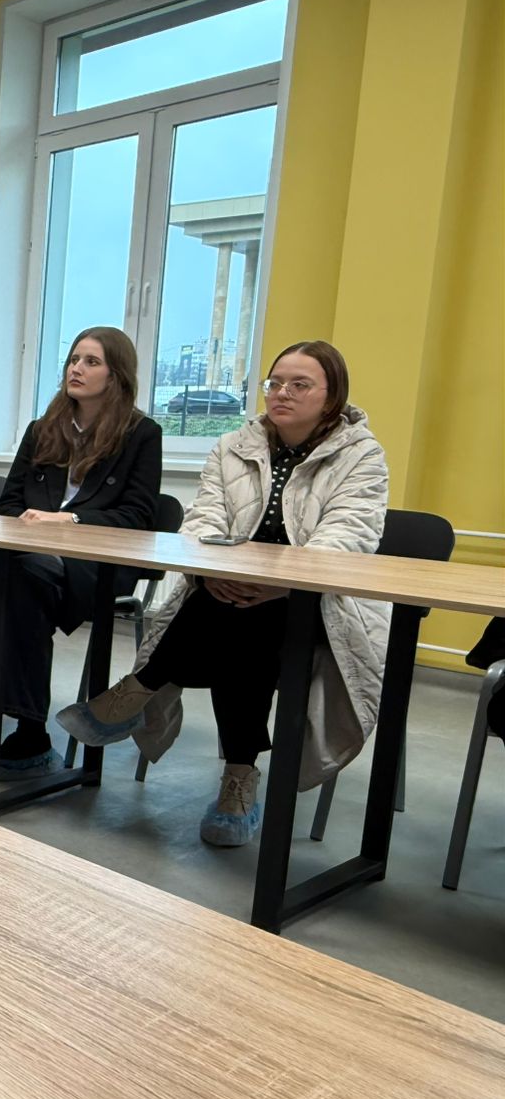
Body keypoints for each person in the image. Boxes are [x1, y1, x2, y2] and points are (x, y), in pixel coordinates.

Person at [57, 340, 390, 846]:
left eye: (300, 385)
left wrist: (279, 585)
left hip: (315, 603)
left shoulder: (362, 455)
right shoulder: (234, 444)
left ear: (332, 397)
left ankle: (137, 690)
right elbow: (203, 519)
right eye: (275, 383)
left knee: (250, 620)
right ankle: (239, 778)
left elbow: (348, 535)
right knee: (239, 623)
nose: (282, 393)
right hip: (222, 592)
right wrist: (211, 572)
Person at [0, 326, 162, 777]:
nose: (76, 369)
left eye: (91, 361)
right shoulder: (42, 429)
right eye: (74, 359)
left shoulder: (141, 434)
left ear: (116, 375)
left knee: (25, 582)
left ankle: (31, 733)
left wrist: (69, 520)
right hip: (26, 550)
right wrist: (32, 525)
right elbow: (9, 503)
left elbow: (138, 516)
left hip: (93, 562)